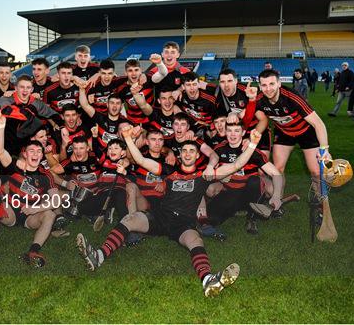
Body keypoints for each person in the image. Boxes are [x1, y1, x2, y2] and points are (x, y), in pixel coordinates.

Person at [76, 125, 263, 297]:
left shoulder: (203, 176)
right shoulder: (168, 171)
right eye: (185, 151)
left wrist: (253, 143)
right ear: (180, 155)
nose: (188, 154)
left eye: (192, 151)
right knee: (131, 219)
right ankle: (98, 256)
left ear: (198, 156)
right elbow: (141, 160)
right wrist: (128, 138)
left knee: (195, 240)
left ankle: (208, 281)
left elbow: (236, 165)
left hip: (183, 223)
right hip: (161, 216)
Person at [0, 111, 58, 266]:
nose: (35, 154)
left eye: (39, 152)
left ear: (42, 156)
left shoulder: (45, 175)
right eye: (31, 151)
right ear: (25, 154)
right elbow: (0, 151)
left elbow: (56, 201)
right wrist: (1, 126)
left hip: (30, 215)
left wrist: (35, 209)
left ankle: (33, 251)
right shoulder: (16, 166)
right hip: (10, 211)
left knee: (50, 214)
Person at [255, 69, 330, 204]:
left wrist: (325, 149)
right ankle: (277, 200)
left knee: (315, 172)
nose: (268, 89)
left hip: (305, 132)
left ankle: (320, 201)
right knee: (278, 169)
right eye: (264, 85)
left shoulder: (292, 97)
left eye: (272, 84)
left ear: (279, 83)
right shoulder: (259, 100)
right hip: (284, 133)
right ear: (260, 86)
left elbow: (318, 123)